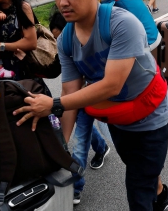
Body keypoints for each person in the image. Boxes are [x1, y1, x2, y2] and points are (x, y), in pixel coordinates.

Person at [14, 0, 168, 211]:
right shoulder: (66, 40)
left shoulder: (122, 24)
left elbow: (112, 85)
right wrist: (62, 149)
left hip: (149, 115)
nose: (62, 3)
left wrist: (51, 104)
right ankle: (161, 193)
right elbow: (70, 91)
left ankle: (152, 193)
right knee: (139, 167)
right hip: (118, 116)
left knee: (137, 189)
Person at [48, 10, 111, 206]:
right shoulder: (65, 44)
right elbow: (69, 87)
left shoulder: (93, 37)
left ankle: (76, 186)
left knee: (80, 139)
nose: (60, 41)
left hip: (102, 93)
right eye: (56, 37)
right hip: (81, 97)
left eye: (60, 35)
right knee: (81, 136)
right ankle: (99, 152)